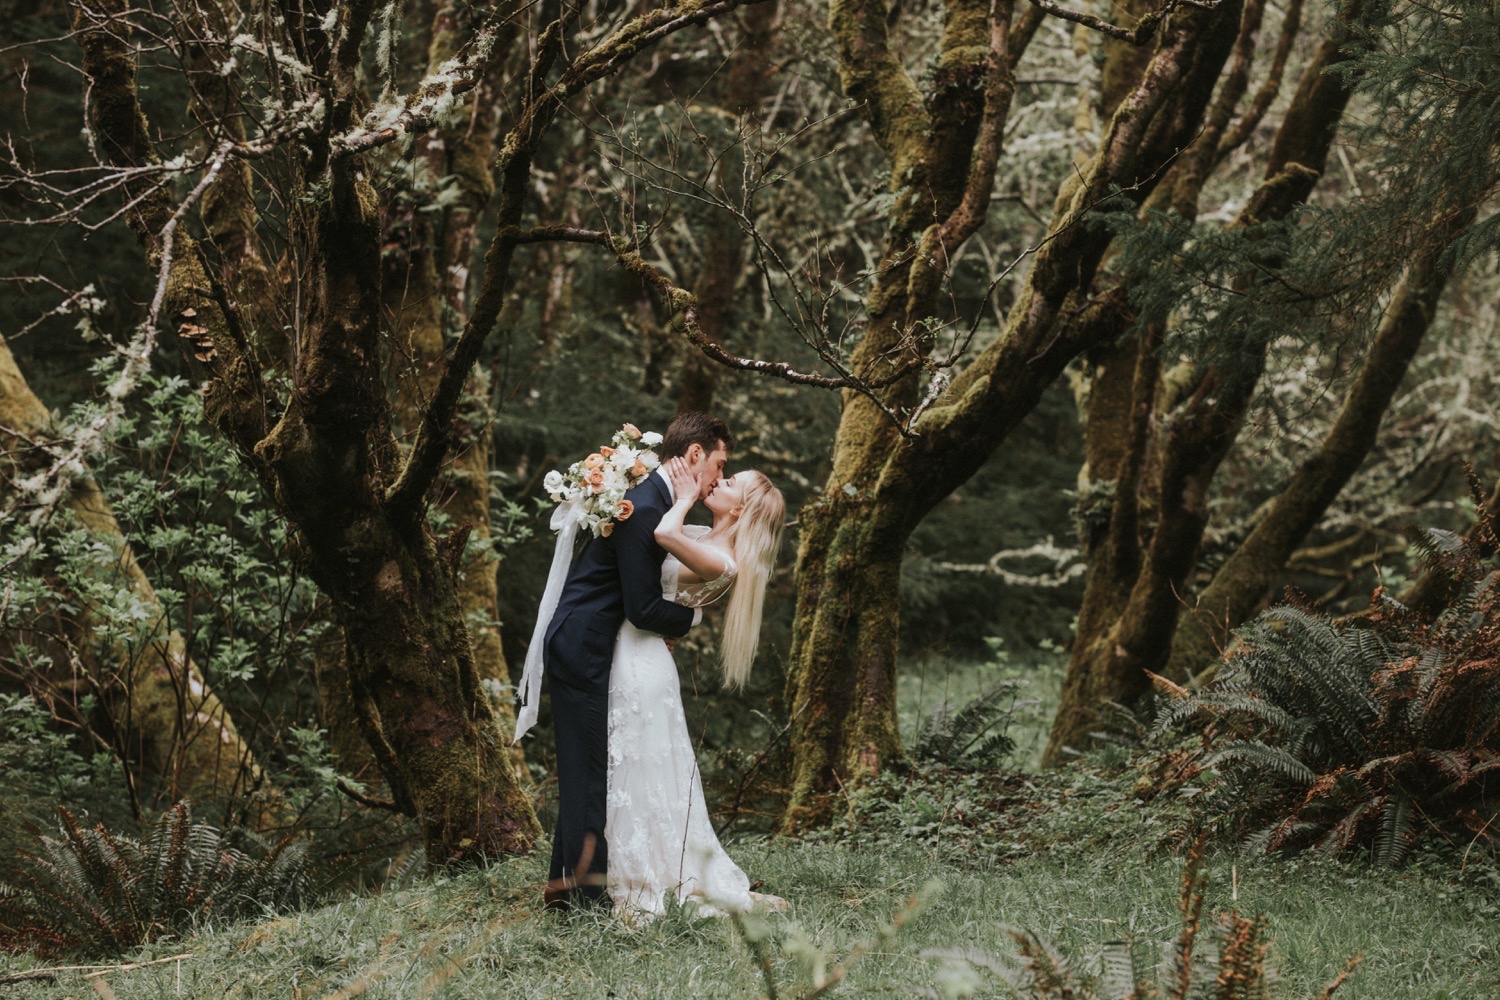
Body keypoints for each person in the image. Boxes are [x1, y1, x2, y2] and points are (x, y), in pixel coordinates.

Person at [539, 412, 731, 909]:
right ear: (694, 455)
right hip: (583, 646)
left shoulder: (650, 498)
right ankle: (583, 900)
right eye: (718, 464)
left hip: (587, 642)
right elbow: (643, 608)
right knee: (587, 776)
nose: (717, 476)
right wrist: (691, 623)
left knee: (585, 771)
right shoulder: (646, 507)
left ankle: (566, 892)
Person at [604, 454, 787, 918]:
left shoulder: (722, 559)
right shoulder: (707, 538)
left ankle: (638, 877)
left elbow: (663, 537)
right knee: (639, 763)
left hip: (641, 657)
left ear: (741, 509)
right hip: (637, 647)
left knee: (637, 762)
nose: (718, 481)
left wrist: (683, 497)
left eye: (729, 483)